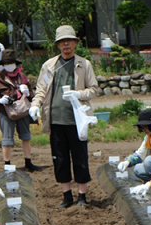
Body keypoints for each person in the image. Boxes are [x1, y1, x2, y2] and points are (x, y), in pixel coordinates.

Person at [29, 25, 100, 208]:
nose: (66, 44)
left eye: (69, 40)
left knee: (80, 158)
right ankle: (66, 195)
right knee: (60, 158)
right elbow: (41, 89)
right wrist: (35, 105)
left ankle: (82, 196)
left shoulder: (84, 64)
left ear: (76, 43)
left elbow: (93, 89)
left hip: (77, 120)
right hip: (55, 119)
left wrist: (78, 94)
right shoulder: (49, 66)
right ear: (58, 45)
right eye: (62, 41)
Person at [0, 49, 41, 172]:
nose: (9, 65)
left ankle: (28, 162)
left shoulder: (22, 77)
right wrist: (1, 100)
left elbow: (32, 96)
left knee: (26, 136)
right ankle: (7, 164)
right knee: (7, 138)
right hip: (5, 112)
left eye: (11, 62)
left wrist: (27, 92)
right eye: (6, 63)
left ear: (16, 64)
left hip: (22, 110)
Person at [118, 108, 151, 181]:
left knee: (148, 160)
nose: (144, 131)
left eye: (145, 128)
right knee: (137, 169)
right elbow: (140, 154)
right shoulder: (148, 138)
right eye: (142, 128)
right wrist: (127, 162)